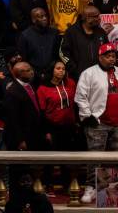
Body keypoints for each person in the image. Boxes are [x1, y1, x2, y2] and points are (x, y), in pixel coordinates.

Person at [75, 43, 118, 204]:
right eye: (108, 56)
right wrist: (87, 115)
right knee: (95, 157)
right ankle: (91, 187)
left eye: (113, 56)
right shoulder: (89, 73)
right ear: (100, 57)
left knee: (113, 158)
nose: (111, 59)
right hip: (98, 122)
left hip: (117, 123)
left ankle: (109, 187)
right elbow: (80, 96)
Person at [37, 60, 77, 192]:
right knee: (50, 158)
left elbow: (75, 103)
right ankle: (47, 186)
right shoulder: (43, 88)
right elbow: (41, 113)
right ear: (52, 70)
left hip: (68, 127)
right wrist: (46, 131)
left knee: (66, 158)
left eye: (63, 69)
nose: (61, 71)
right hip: (52, 127)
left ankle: (66, 185)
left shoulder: (70, 83)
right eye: (58, 68)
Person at [3, 61, 44, 151]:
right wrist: (20, 140)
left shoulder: (30, 86)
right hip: (22, 137)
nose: (32, 72)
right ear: (20, 73)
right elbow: (13, 119)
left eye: (31, 69)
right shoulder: (13, 91)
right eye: (28, 70)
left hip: (33, 134)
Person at [0, 47, 22, 150]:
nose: (19, 57)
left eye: (19, 54)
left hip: (20, 121)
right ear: (9, 58)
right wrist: (3, 105)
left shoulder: (24, 72)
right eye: (15, 55)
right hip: (4, 120)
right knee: (4, 150)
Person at [59, 5, 108, 81]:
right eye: (95, 16)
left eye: (98, 16)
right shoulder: (71, 32)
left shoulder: (101, 32)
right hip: (78, 77)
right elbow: (62, 52)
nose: (99, 19)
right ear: (86, 18)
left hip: (99, 76)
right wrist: (74, 69)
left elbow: (107, 51)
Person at [18, 8, 59, 78]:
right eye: (41, 17)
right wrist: (36, 73)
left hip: (52, 73)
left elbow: (57, 54)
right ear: (33, 20)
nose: (45, 18)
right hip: (33, 75)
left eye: (45, 16)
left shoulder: (54, 33)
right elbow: (24, 58)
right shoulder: (25, 35)